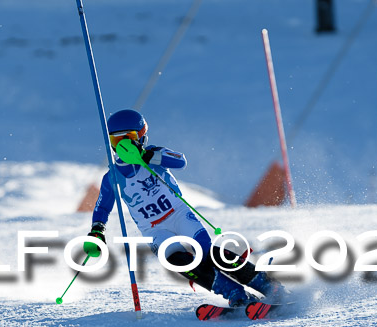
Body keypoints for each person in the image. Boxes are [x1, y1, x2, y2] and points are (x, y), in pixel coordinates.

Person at [84, 109, 281, 307]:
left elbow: (180, 161)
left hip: (178, 214)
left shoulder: (154, 155)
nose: (124, 146)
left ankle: (266, 285)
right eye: (117, 141)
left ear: (142, 136)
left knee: (206, 253)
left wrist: (148, 156)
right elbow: (103, 207)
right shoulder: (112, 178)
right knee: (177, 260)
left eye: (129, 138)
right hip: (153, 229)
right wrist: (97, 231)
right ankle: (234, 293)